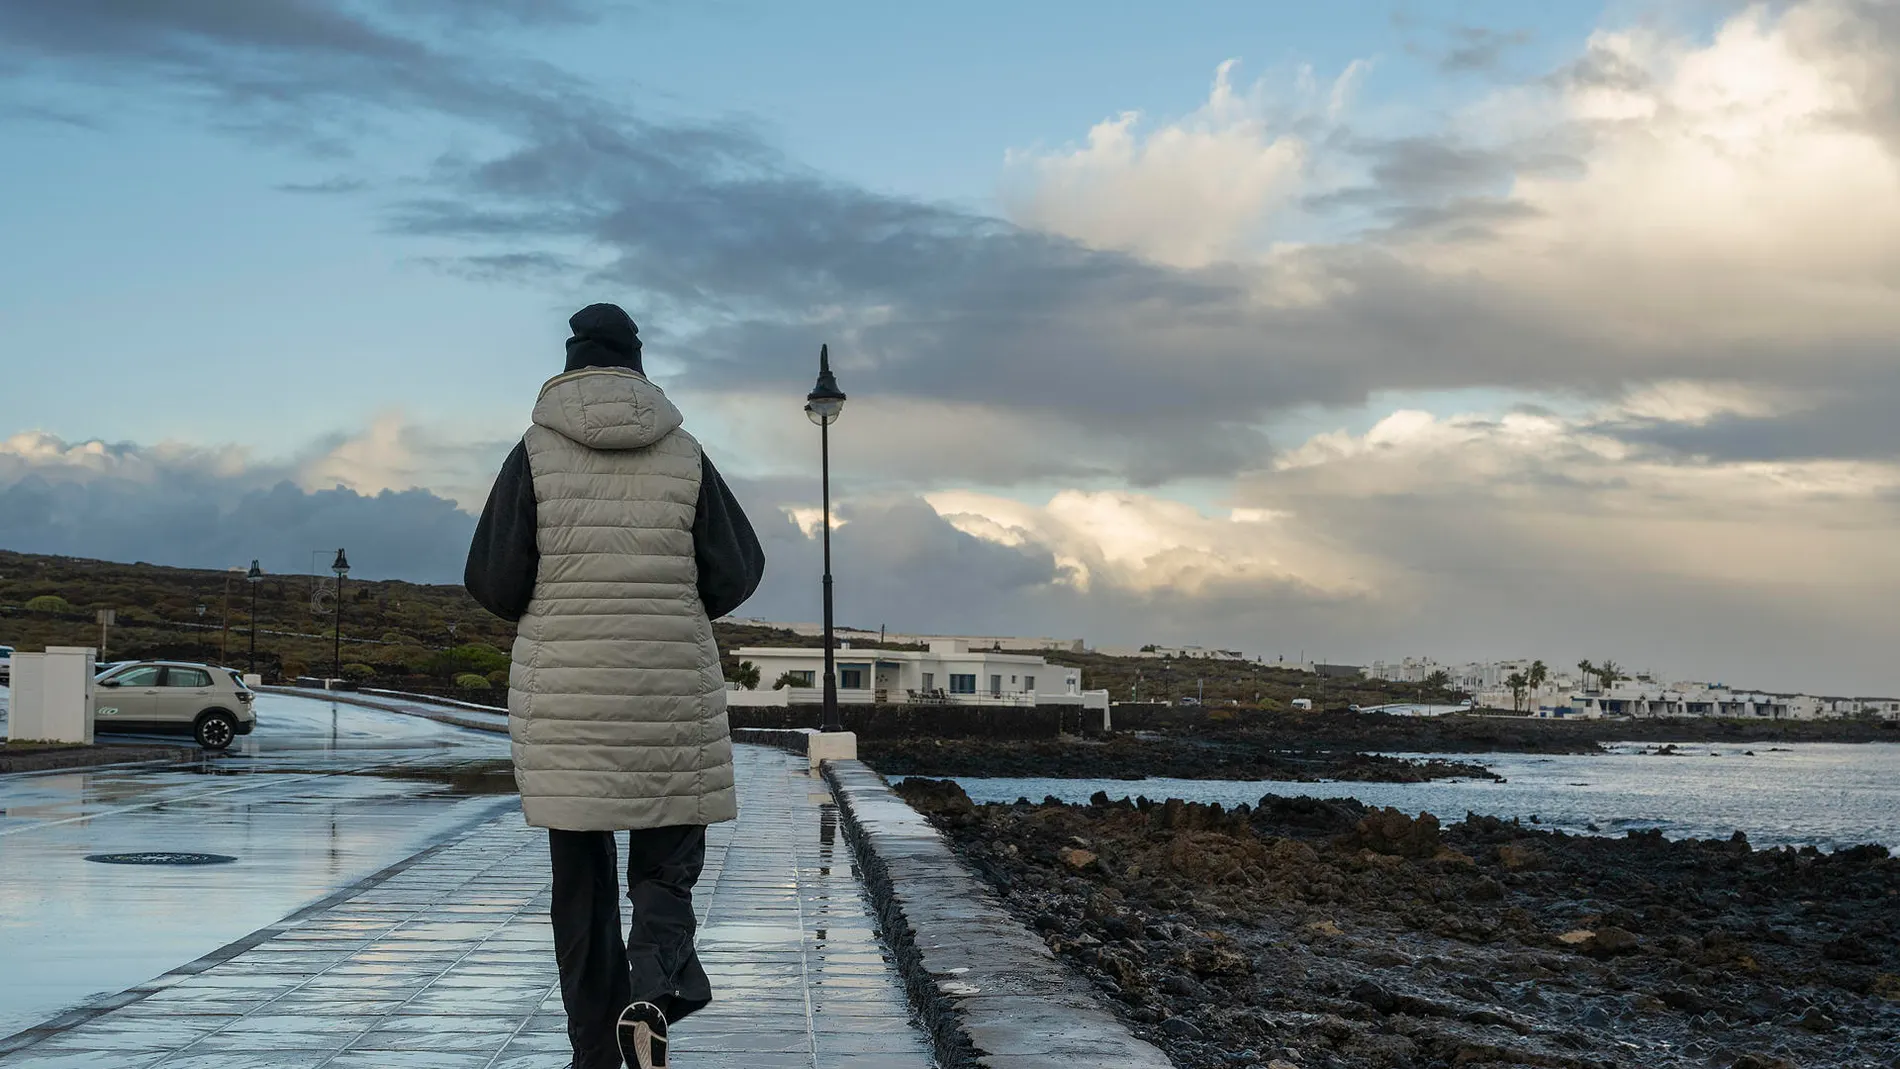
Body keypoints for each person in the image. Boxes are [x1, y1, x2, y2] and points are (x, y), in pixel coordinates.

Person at [466, 302, 765, 1069]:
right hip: (670, 695)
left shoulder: (533, 453)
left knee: (582, 887)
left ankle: (597, 1050)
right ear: (638, 363)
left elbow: (494, 582)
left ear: (571, 361)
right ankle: (653, 989)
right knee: (666, 866)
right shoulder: (686, 454)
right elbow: (738, 571)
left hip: (568, 700)